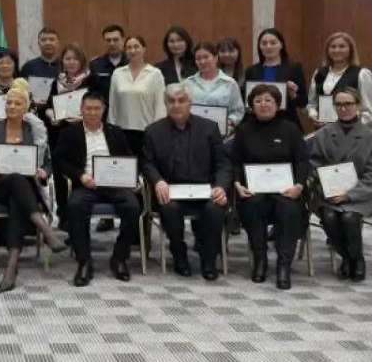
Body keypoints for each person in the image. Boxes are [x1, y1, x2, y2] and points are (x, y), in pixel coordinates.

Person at [0, 80, 66, 292]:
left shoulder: (34, 130)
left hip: (25, 190)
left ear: (26, 108)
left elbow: (47, 161)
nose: (12, 107)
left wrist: (44, 172)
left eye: (17, 103)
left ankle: (11, 266)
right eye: (8, 103)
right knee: (16, 180)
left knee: (17, 196)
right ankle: (44, 228)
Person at [143, 84, 231, 280]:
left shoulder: (209, 128)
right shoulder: (152, 131)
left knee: (215, 208)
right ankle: (179, 254)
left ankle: (208, 260)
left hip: (204, 189)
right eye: (171, 101)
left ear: (190, 103)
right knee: (169, 208)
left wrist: (220, 187)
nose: (176, 105)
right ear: (165, 104)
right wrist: (158, 181)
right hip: (172, 190)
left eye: (181, 100)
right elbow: (148, 163)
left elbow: (223, 164)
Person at [56, 92, 141, 286]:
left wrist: (132, 179)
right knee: (75, 206)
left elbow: (128, 158)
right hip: (87, 184)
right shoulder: (70, 133)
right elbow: (60, 160)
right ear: (81, 110)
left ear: (103, 110)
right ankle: (84, 260)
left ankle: (119, 258)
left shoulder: (115, 132)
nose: (93, 112)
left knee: (133, 207)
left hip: (114, 184)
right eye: (89, 108)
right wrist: (80, 175)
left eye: (97, 108)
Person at [231, 84, 309, 290]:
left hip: (286, 190)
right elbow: (235, 162)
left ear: (277, 104)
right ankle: (260, 260)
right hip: (253, 190)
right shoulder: (244, 130)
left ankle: (284, 265)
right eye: (258, 101)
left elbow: (302, 161)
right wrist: (238, 184)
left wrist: (299, 185)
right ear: (251, 106)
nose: (263, 104)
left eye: (268, 100)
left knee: (289, 209)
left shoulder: (290, 129)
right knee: (251, 206)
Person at [309, 88, 372, 282]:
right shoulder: (323, 134)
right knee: (329, 216)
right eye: (339, 104)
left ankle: (356, 260)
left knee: (350, 217)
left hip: (360, 193)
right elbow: (314, 165)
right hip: (328, 192)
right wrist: (325, 187)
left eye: (348, 104)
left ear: (358, 106)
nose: (343, 108)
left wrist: (349, 195)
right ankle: (349, 257)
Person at [45, 43, 91, 226]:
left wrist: (83, 117)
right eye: (67, 58)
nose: (71, 62)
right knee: (59, 175)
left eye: (75, 58)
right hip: (59, 133)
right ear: (62, 61)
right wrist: (51, 115)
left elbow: (98, 105)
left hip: (82, 134)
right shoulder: (58, 81)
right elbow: (48, 106)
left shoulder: (90, 81)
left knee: (78, 172)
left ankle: (79, 214)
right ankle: (64, 215)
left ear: (81, 61)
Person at [106, 35, 167, 156]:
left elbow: (160, 105)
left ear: (144, 49)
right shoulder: (118, 73)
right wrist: (112, 131)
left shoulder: (155, 73)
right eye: (129, 47)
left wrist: (157, 132)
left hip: (147, 132)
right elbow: (113, 105)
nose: (132, 50)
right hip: (122, 133)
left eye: (136, 47)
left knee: (145, 170)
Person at [307, 32, 372, 125]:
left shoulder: (362, 74)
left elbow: (368, 112)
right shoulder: (319, 73)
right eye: (333, 47)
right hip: (323, 131)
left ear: (350, 50)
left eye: (342, 46)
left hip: (351, 132)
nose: (337, 50)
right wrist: (313, 115)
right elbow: (312, 104)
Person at [243, 28, 307, 127]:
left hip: (286, 123)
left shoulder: (294, 68)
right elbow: (247, 101)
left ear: (281, 45)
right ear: (259, 47)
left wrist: (293, 95)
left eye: (273, 43)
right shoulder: (251, 70)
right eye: (264, 43)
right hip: (257, 124)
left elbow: (303, 102)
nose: (268, 46)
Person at [183, 41, 247, 134]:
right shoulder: (188, 83)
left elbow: (238, 111)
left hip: (220, 135)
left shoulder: (230, 83)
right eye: (198, 58)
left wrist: (228, 123)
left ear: (216, 58)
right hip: (193, 134)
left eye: (206, 57)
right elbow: (183, 108)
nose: (202, 61)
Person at [20, 27, 62, 107]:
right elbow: (21, 93)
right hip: (35, 116)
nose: (48, 43)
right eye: (43, 40)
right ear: (38, 43)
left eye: (52, 39)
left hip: (61, 114)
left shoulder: (66, 66)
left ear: (58, 43)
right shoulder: (28, 67)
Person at [88, 24, 128, 102]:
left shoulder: (131, 63)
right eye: (108, 40)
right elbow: (91, 92)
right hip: (103, 112)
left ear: (123, 40)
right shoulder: (95, 65)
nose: (112, 43)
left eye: (115, 40)